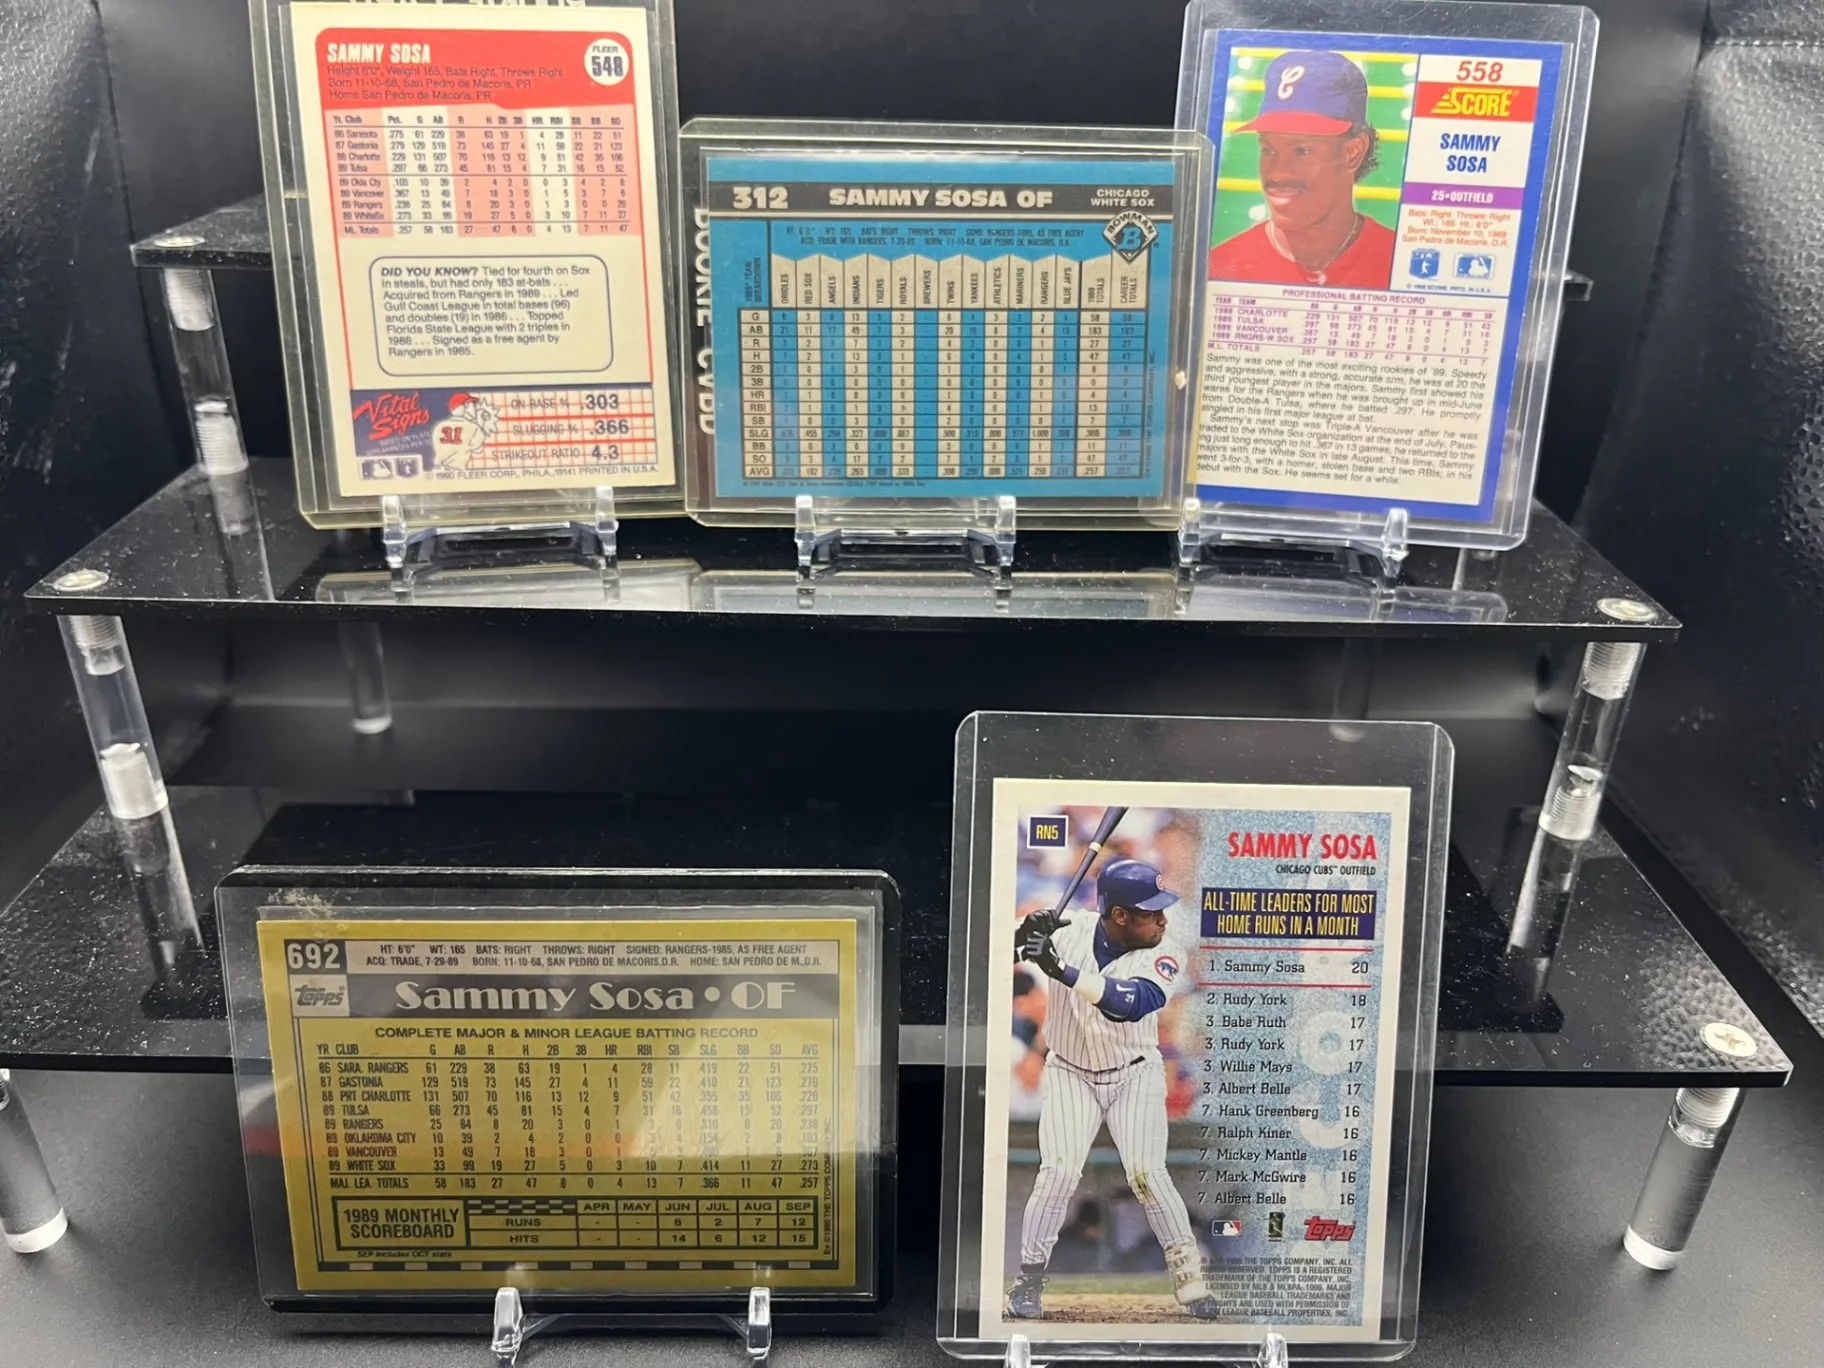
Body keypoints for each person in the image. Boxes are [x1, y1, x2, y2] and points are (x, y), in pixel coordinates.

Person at [1007, 859, 1218, 1320]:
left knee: (1148, 1175)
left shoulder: (1164, 952)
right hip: (1069, 1073)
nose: (1162, 920)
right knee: (1058, 1174)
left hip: (1134, 1074)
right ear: (1119, 915)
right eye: (1150, 912)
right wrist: (1025, 933)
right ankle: (1029, 1281)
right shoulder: (1071, 928)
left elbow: (1131, 1002)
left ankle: (1191, 1283)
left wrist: (1060, 969)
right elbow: (995, 953)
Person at [1209, 49, 1396, 288]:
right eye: (1268, 150)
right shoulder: (1219, 269)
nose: (1278, 173)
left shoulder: (1402, 264)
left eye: (1301, 151)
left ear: (1353, 152)